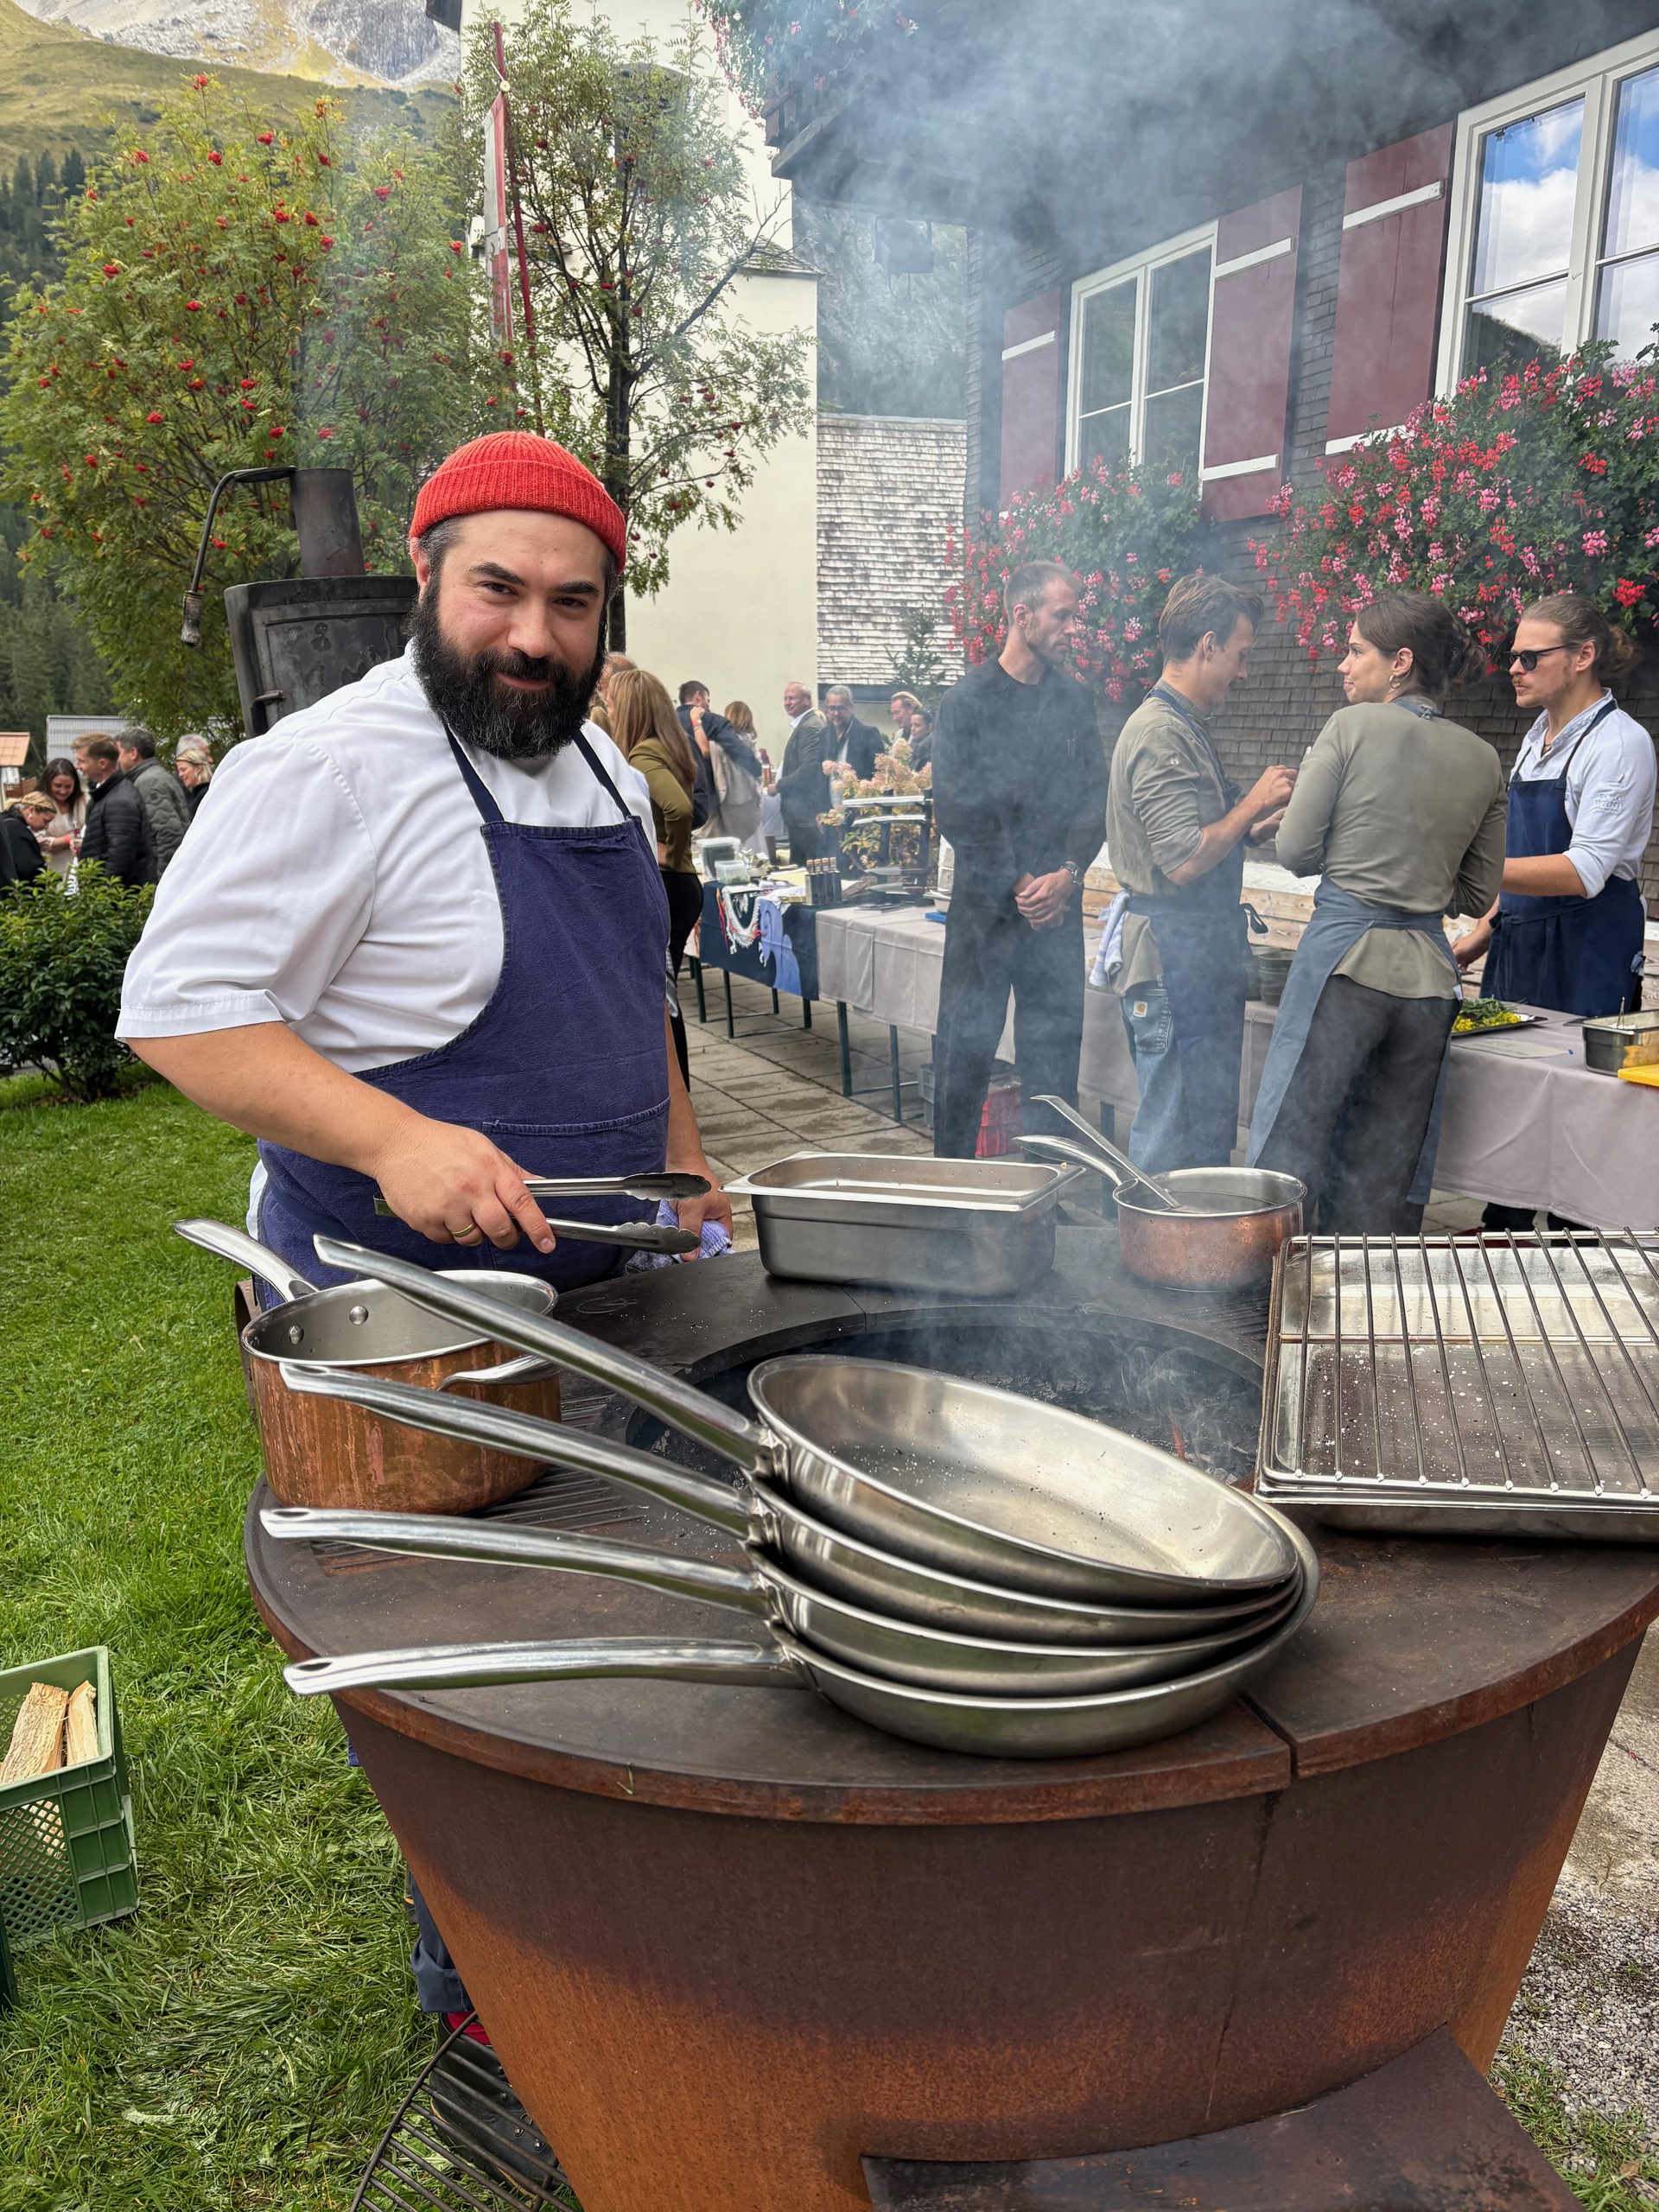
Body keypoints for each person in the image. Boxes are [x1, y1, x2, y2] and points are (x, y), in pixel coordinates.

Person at [118, 430, 733, 2040]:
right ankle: (490, 2010)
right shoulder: (330, 767)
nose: (533, 633)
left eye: (573, 603)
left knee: (619, 1638)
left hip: (607, 1296)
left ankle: (634, 1954)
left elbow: (633, 1002)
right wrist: (392, 1137)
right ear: (430, 580)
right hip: (414, 1343)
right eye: (499, 590)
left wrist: (686, 1164)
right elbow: (178, 1013)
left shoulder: (596, 763)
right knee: (475, 1682)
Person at [1247, 594, 1507, 1232]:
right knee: (1388, 1162)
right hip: (1427, 979)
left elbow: (1295, 849)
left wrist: (1358, 851)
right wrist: (1414, 873)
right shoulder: (1483, 758)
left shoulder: (1348, 728)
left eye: (1357, 649)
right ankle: (1367, 1309)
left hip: (1345, 961)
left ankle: (1268, 1299)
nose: (1343, 663)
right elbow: (1476, 895)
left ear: (1401, 663)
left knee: (1296, 1139)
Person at [1105, 575, 1292, 1173]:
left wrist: (1252, 829)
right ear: (1207, 645)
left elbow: (1197, 835)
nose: (1243, 672)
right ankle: (1149, 1263)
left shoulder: (1183, 724)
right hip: (1171, 964)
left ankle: (1191, 1262)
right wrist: (1252, 803)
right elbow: (1183, 859)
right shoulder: (1162, 734)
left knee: (1202, 1132)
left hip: (1197, 958)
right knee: (1171, 1138)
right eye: (1240, 656)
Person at [930, 559, 1108, 1158]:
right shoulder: (965, 701)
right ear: (1022, 615)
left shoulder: (1074, 702)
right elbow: (959, 810)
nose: (1072, 627)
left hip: (1055, 915)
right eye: (1063, 614)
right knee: (963, 1055)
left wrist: (1068, 874)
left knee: (1054, 1065)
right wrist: (1020, 882)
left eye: (1074, 615)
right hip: (985, 915)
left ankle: (1049, 1195)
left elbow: (1094, 797)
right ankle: (948, 1194)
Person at [610, 667, 702, 1084]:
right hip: (681, 884)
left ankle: (675, 1087)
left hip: (670, 882)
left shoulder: (643, 754)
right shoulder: (668, 746)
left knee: (664, 1000)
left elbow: (680, 810)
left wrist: (669, 856)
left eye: (613, 703)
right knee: (666, 995)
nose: (608, 710)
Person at [76, 734, 156, 887]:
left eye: (81, 761)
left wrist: (103, 896)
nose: (77, 766)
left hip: (116, 898)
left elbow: (120, 858)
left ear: (102, 763)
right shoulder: (104, 794)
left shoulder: (120, 802)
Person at [117, 727, 192, 875]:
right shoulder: (157, 776)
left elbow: (169, 834)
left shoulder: (148, 783)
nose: (116, 760)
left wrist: (162, 881)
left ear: (133, 753)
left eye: (118, 754)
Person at [777, 678, 829, 860]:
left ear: (807, 700)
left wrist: (779, 785)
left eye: (792, 698)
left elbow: (809, 768)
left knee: (807, 868)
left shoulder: (810, 726)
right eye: (785, 699)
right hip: (800, 816)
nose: (787, 703)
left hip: (807, 816)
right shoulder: (803, 725)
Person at [821, 684, 880, 790]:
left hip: (858, 803)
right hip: (828, 805)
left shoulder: (868, 735)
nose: (836, 713)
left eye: (841, 708)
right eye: (831, 708)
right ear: (826, 709)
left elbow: (878, 776)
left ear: (851, 707)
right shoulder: (823, 735)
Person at [35, 758, 85, 875]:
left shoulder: (84, 801)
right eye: (58, 786)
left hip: (82, 867)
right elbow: (42, 842)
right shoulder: (39, 803)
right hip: (53, 869)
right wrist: (70, 839)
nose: (63, 791)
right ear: (48, 783)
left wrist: (59, 841)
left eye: (68, 787)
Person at [1, 793, 48, 889]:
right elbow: (29, 868)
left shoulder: (6, 822)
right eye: (45, 821)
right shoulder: (17, 829)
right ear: (31, 811)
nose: (46, 827)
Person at [175, 741, 215, 820]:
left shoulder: (207, 795)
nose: (180, 775)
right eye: (179, 771)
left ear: (198, 769)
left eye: (183, 770)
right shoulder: (193, 795)